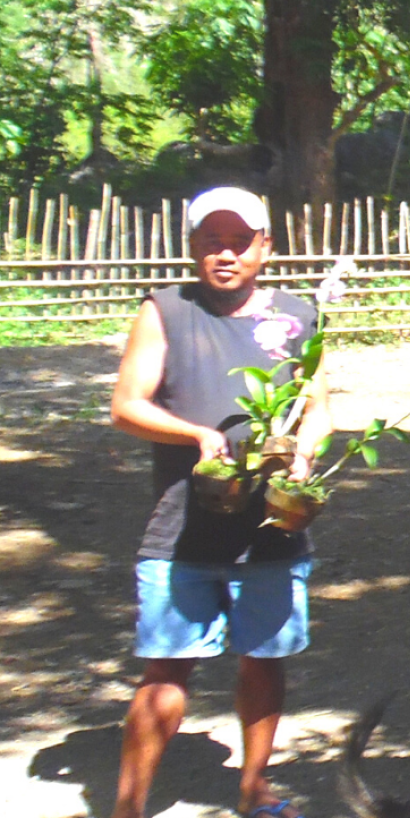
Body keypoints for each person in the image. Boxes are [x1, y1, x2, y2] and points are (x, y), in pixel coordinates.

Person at [109, 187, 331, 818]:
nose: (225, 254)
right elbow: (127, 404)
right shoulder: (168, 310)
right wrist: (197, 434)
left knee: (263, 660)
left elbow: (317, 407)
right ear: (193, 247)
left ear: (266, 246)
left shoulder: (296, 317)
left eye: (239, 242)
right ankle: (129, 806)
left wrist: (305, 451)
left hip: (271, 528)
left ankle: (254, 786)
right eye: (212, 242)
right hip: (183, 530)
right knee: (165, 672)